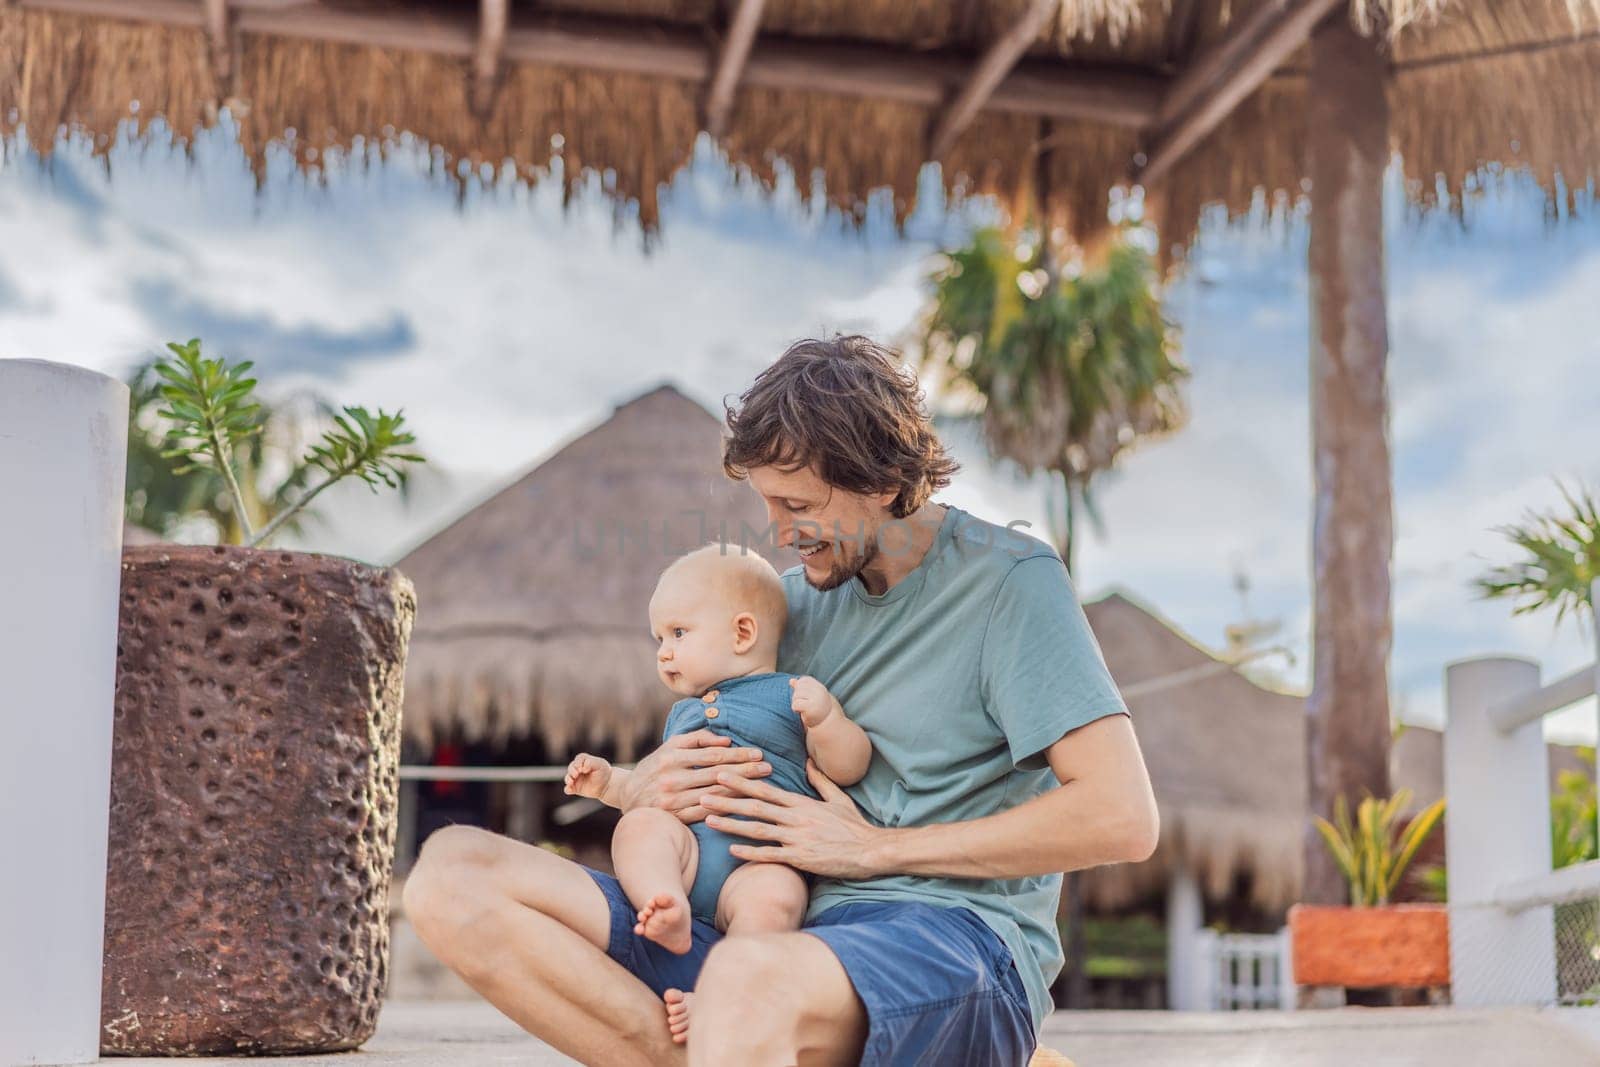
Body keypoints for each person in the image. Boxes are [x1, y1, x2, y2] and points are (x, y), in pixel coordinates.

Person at [403, 335, 1160, 1066]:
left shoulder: (1010, 582)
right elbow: (724, 739)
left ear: (885, 482)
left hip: (953, 945)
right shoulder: (781, 606)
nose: (778, 530)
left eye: (797, 503)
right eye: (769, 503)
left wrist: (874, 850)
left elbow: (1121, 818)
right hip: (768, 936)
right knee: (451, 874)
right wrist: (652, 779)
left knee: (744, 981)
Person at [560, 545, 870, 1040]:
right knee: (641, 825)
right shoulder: (679, 715)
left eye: (678, 633)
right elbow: (655, 793)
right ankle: (665, 903)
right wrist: (612, 784)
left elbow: (848, 766)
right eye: (659, 637)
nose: (663, 650)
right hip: (686, 857)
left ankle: (726, 991)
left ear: (743, 633)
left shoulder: (791, 694)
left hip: (757, 859)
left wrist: (828, 720)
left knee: (776, 897)